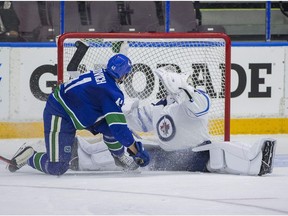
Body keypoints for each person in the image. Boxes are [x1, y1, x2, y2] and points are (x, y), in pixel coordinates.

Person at [71, 65, 277, 176]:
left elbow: (200, 106)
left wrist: (184, 88)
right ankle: (84, 156)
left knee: (218, 151)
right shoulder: (158, 108)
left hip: (197, 155)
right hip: (167, 158)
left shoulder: (193, 99)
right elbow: (131, 125)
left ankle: (256, 160)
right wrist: (121, 111)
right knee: (134, 149)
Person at [7, 54, 150, 175]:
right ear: (123, 73)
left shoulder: (101, 74)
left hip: (81, 110)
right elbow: (119, 128)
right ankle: (29, 157)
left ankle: (119, 157)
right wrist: (137, 151)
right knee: (57, 167)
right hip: (60, 113)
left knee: (110, 129)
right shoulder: (110, 92)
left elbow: (115, 127)